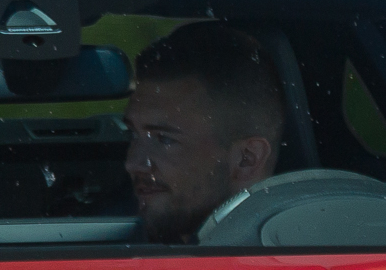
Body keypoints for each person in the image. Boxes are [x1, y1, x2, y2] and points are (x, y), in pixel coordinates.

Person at [122, 22, 285, 243]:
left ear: (247, 159)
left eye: (164, 139)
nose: (132, 164)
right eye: (133, 134)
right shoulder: (334, 253)